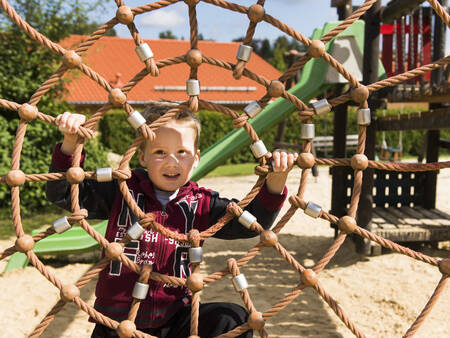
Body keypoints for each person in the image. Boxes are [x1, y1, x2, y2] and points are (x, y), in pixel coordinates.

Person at [46, 104, 298, 338]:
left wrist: (276, 179)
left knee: (233, 318)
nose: (172, 161)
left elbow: (252, 224)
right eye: (159, 152)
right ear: (142, 157)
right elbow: (64, 194)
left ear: (196, 157)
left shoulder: (201, 203)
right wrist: (70, 143)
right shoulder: (121, 190)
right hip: (117, 319)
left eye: (182, 152)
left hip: (175, 316)